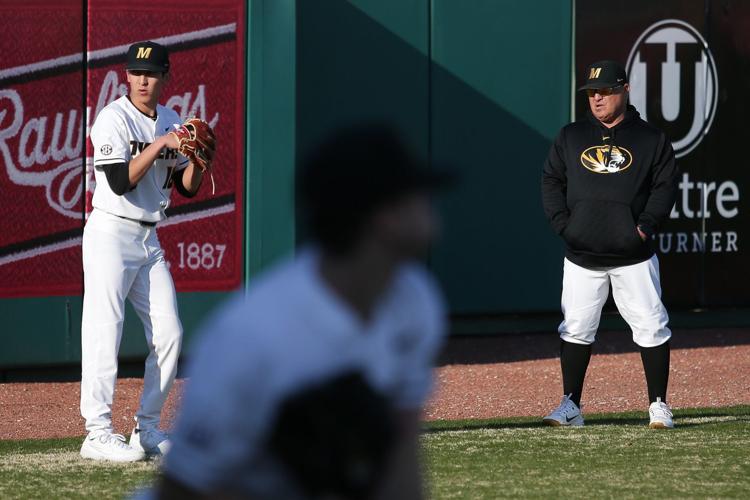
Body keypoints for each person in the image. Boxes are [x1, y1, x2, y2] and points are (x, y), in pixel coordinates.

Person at [149, 124, 451, 499]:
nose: (430, 204)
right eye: (417, 194)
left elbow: (402, 449)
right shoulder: (251, 338)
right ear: (384, 215)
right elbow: (181, 488)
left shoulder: (415, 300)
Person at [81, 41, 208, 462]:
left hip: (149, 239)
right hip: (110, 235)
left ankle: (147, 429)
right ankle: (97, 432)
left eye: (151, 73)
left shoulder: (171, 119)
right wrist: (161, 144)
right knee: (105, 330)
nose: (142, 80)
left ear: (164, 77)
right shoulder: (112, 119)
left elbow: (186, 188)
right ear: (126, 76)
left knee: (170, 334)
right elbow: (119, 181)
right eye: (136, 73)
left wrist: (199, 159)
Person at [541, 60, 679, 429]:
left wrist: (644, 228)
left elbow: (664, 188)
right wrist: (563, 226)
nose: (597, 99)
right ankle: (570, 404)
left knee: (651, 325)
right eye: (591, 93)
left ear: (624, 90)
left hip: (632, 254)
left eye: (605, 91)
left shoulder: (651, 139)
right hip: (582, 254)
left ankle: (658, 405)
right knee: (575, 328)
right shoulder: (571, 136)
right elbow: (551, 181)